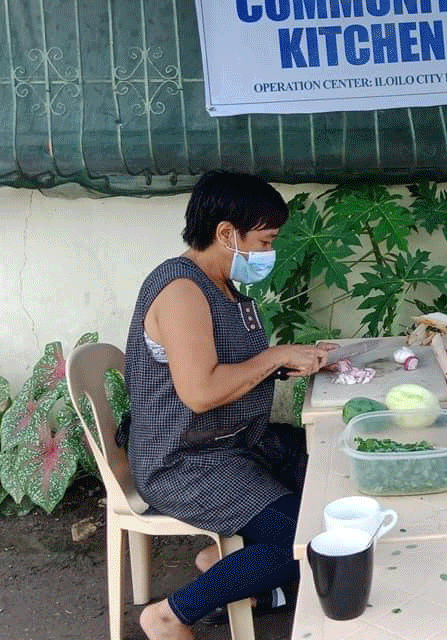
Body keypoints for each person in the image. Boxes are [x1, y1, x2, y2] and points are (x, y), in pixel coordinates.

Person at [123, 170, 331, 640]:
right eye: (264, 241)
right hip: (183, 460)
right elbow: (201, 392)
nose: (268, 253)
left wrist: (287, 363)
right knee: (306, 540)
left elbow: (233, 365)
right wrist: (275, 356)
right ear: (225, 234)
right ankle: (171, 615)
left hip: (232, 442)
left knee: (328, 470)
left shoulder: (224, 288)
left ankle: (224, 564)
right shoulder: (181, 291)